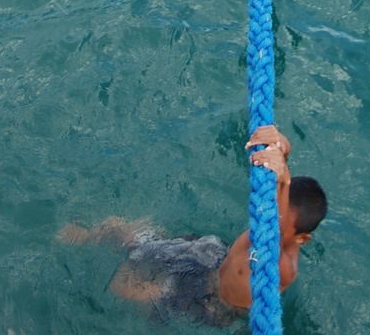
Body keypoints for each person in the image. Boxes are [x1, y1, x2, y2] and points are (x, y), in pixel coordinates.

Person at [57, 126, 326, 326]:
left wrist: (285, 180)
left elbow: (275, 236)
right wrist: (283, 148)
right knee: (125, 229)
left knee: (122, 289)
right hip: (209, 257)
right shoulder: (274, 210)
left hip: (212, 304)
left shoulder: (285, 268)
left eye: (278, 222)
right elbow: (277, 200)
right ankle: (82, 236)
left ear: (301, 239)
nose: (265, 221)